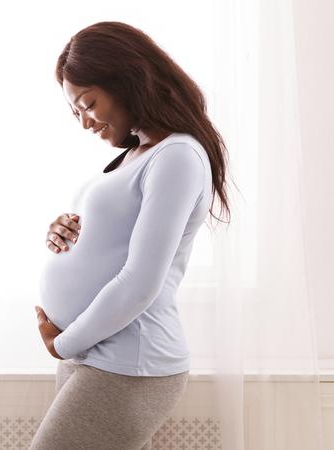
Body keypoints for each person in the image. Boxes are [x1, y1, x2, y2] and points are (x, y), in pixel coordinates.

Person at [30, 21, 232, 450]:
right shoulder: (137, 154)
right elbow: (114, 240)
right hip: (96, 352)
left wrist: (63, 343)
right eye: (75, 111)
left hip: (127, 360)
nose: (85, 123)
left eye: (88, 103)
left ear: (127, 80)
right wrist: (64, 234)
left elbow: (141, 281)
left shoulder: (177, 155)